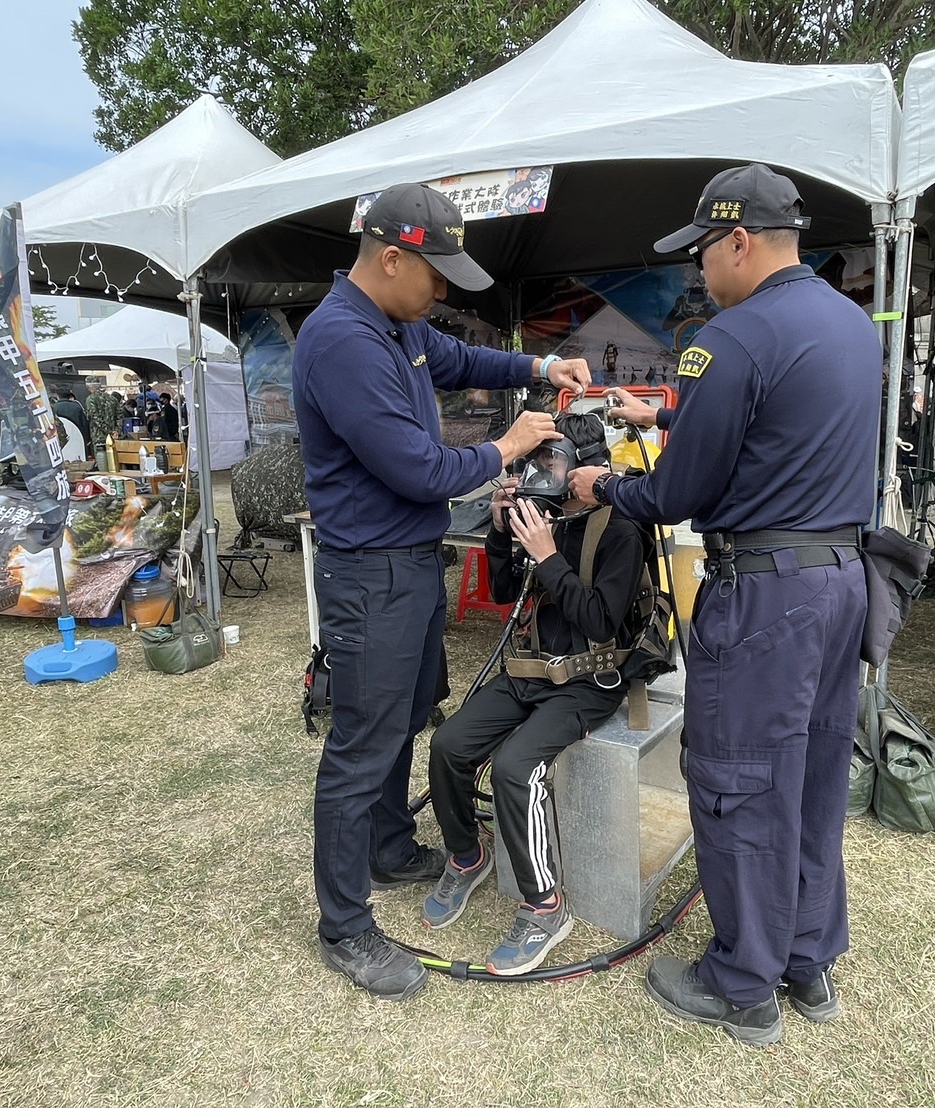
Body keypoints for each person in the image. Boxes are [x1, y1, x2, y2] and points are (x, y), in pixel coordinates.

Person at [569, 164, 879, 1048]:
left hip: (766, 592)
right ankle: (805, 961)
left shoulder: (729, 338)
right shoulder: (849, 325)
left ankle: (742, 982)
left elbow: (677, 492)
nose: (697, 272)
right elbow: (779, 436)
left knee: (741, 780)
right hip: (839, 581)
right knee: (813, 776)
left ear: (738, 241)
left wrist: (603, 484)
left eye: (702, 252)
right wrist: (663, 417)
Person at [294, 181, 591, 1001]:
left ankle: (390, 846)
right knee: (360, 743)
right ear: (391, 258)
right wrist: (508, 444)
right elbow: (418, 470)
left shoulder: (396, 326)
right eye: (435, 276)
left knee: (406, 714)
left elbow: (462, 359)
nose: (442, 294)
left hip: (409, 565)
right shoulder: (341, 342)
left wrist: (538, 364)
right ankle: (345, 927)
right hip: (369, 575)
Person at [422, 413, 645, 974]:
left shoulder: (620, 529)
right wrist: (501, 533)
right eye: (533, 460)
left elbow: (599, 620)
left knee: (516, 767)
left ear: (586, 467)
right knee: (449, 744)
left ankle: (545, 906)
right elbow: (500, 590)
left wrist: (547, 556)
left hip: (591, 678)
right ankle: (468, 855)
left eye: (550, 460)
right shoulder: (540, 517)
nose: (536, 472)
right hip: (530, 668)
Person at [84, 381, 123, 470]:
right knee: (114, 462)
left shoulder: (91, 399)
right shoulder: (112, 398)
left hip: (99, 436)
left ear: (89, 388)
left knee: (102, 464)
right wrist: (116, 431)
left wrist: (108, 431)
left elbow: (95, 418)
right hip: (114, 437)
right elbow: (120, 416)